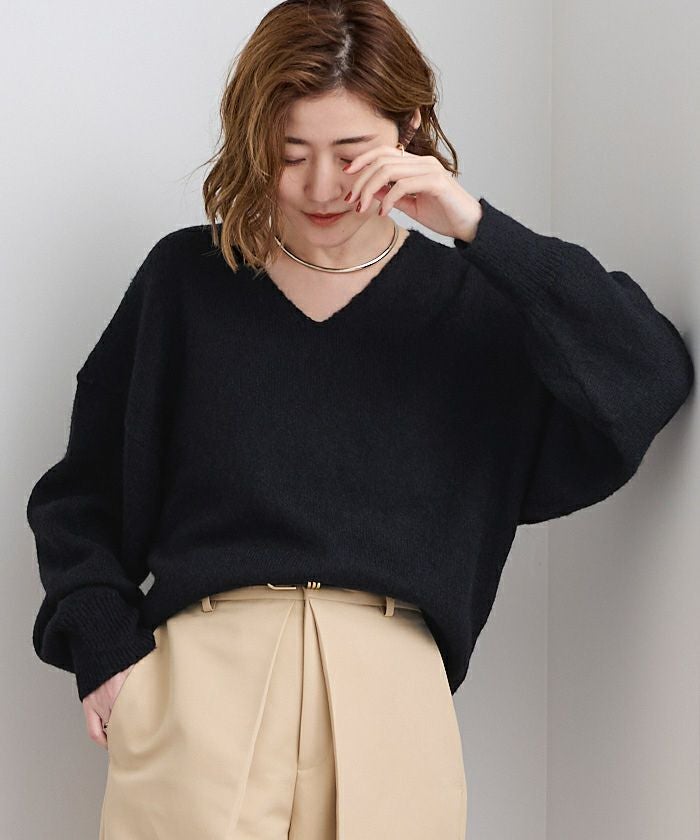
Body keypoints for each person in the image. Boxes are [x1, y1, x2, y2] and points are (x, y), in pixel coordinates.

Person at [25, 1, 694, 838]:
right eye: (289, 153)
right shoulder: (187, 282)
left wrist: (476, 227)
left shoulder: (475, 307)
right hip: (197, 693)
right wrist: (102, 647)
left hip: (394, 707)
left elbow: (649, 374)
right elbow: (82, 492)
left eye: (350, 154)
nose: (319, 186)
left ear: (409, 130)